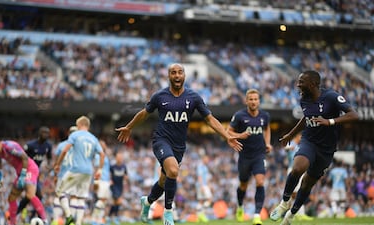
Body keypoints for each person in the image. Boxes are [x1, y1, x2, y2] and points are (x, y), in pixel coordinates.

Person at [115, 63, 242, 225]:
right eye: (173, 73)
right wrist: (129, 127)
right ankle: (169, 213)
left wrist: (227, 136)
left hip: (179, 146)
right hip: (161, 140)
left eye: (180, 72)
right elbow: (144, 114)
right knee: (173, 171)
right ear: (169, 76)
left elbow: (209, 119)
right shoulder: (160, 96)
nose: (176, 75)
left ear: (184, 76)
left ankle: (147, 202)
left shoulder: (193, 97)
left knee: (164, 180)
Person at [269, 70, 359, 225]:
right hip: (308, 141)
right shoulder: (304, 99)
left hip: (327, 149)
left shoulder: (331, 97)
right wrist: (291, 134)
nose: (298, 85)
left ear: (313, 84)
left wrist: (329, 121)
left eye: (301, 82)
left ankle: (291, 215)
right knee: (297, 168)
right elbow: (306, 118)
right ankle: (284, 202)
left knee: (307, 183)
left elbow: (354, 115)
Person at [227, 88, 272, 225]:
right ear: (246, 101)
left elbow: (267, 129)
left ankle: (257, 215)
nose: (253, 102)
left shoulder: (264, 116)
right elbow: (228, 132)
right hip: (244, 156)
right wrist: (240, 136)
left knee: (260, 182)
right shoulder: (240, 116)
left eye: (256, 99)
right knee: (243, 185)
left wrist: (268, 143)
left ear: (259, 101)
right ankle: (240, 207)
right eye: (251, 99)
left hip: (259, 155)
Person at [54, 116, 105, 225]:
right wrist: (100, 169)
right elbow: (102, 154)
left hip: (75, 169)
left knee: (59, 191)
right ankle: (78, 223)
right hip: (88, 172)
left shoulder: (75, 135)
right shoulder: (93, 138)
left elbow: (64, 151)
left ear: (80, 124)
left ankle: (68, 216)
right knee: (81, 197)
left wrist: (58, 164)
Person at [0, 137, 48, 225]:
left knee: (30, 195)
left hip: (30, 169)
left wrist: (23, 175)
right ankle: (12, 223)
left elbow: (25, 158)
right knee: (11, 198)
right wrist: (0, 176)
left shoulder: (9, 147)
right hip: (20, 173)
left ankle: (44, 220)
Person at [17, 126, 53, 220]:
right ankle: (34, 217)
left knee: (33, 196)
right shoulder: (30, 145)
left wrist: (49, 166)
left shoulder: (48, 146)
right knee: (36, 195)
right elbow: (21, 157)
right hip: (28, 171)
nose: (45, 135)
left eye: (47, 133)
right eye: (43, 132)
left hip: (36, 173)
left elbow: (49, 158)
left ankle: (20, 214)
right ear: (39, 134)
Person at [284, 132, 313, 221]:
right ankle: (295, 212)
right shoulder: (292, 143)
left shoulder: (301, 146)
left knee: (300, 190)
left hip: (301, 170)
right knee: (295, 192)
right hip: (293, 170)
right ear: (297, 136)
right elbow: (286, 148)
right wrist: (289, 148)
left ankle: (299, 212)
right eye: (301, 136)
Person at [52, 126, 78, 224]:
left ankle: (56, 219)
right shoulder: (79, 147)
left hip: (62, 175)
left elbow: (56, 161)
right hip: (75, 175)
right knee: (74, 197)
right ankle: (72, 221)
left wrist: (55, 174)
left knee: (59, 196)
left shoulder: (61, 145)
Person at [91, 139, 112, 225]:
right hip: (101, 179)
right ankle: (94, 218)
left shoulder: (105, 156)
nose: (104, 146)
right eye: (102, 144)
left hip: (106, 180)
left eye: (104, 144)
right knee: (101, 199)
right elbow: (96, 169)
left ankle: (99, 218)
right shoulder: (97, 156)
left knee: (104, 200)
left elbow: (107, 169)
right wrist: (96, 181)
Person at [108, 151, 128, 225]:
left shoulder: (124, 166)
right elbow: (109, 174)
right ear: (116, 158)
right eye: (118, 157)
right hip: (114, 186)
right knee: (118, 201)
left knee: (115, 203)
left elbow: (126, 175)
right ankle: (115, 216)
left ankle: (109, 217)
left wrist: (126, 178)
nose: (119, 159)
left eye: (121, 157)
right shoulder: (112, 166)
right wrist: (110, 180)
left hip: (120, 186)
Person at [195, 155, 213, 223]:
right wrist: (202, 186)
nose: (208, 161)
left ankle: (198, 215)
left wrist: (209, 185)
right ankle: (202, 214)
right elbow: (199, 176)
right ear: (203, 159)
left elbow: (206, 177)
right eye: (207, 159)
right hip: (202, 185)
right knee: (210, 199)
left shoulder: (205, 167)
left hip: (204, 185)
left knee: (201, 201)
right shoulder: (200, 166)